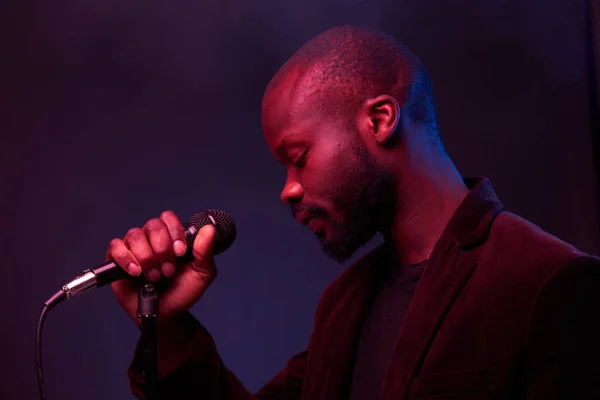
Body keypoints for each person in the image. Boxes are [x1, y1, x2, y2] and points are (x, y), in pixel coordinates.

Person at [107, 25, 600, 399]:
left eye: (298, 159)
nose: (288, 190)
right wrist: (166, 327)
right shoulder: (345, 302)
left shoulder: (549, 283)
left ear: (381, 119)